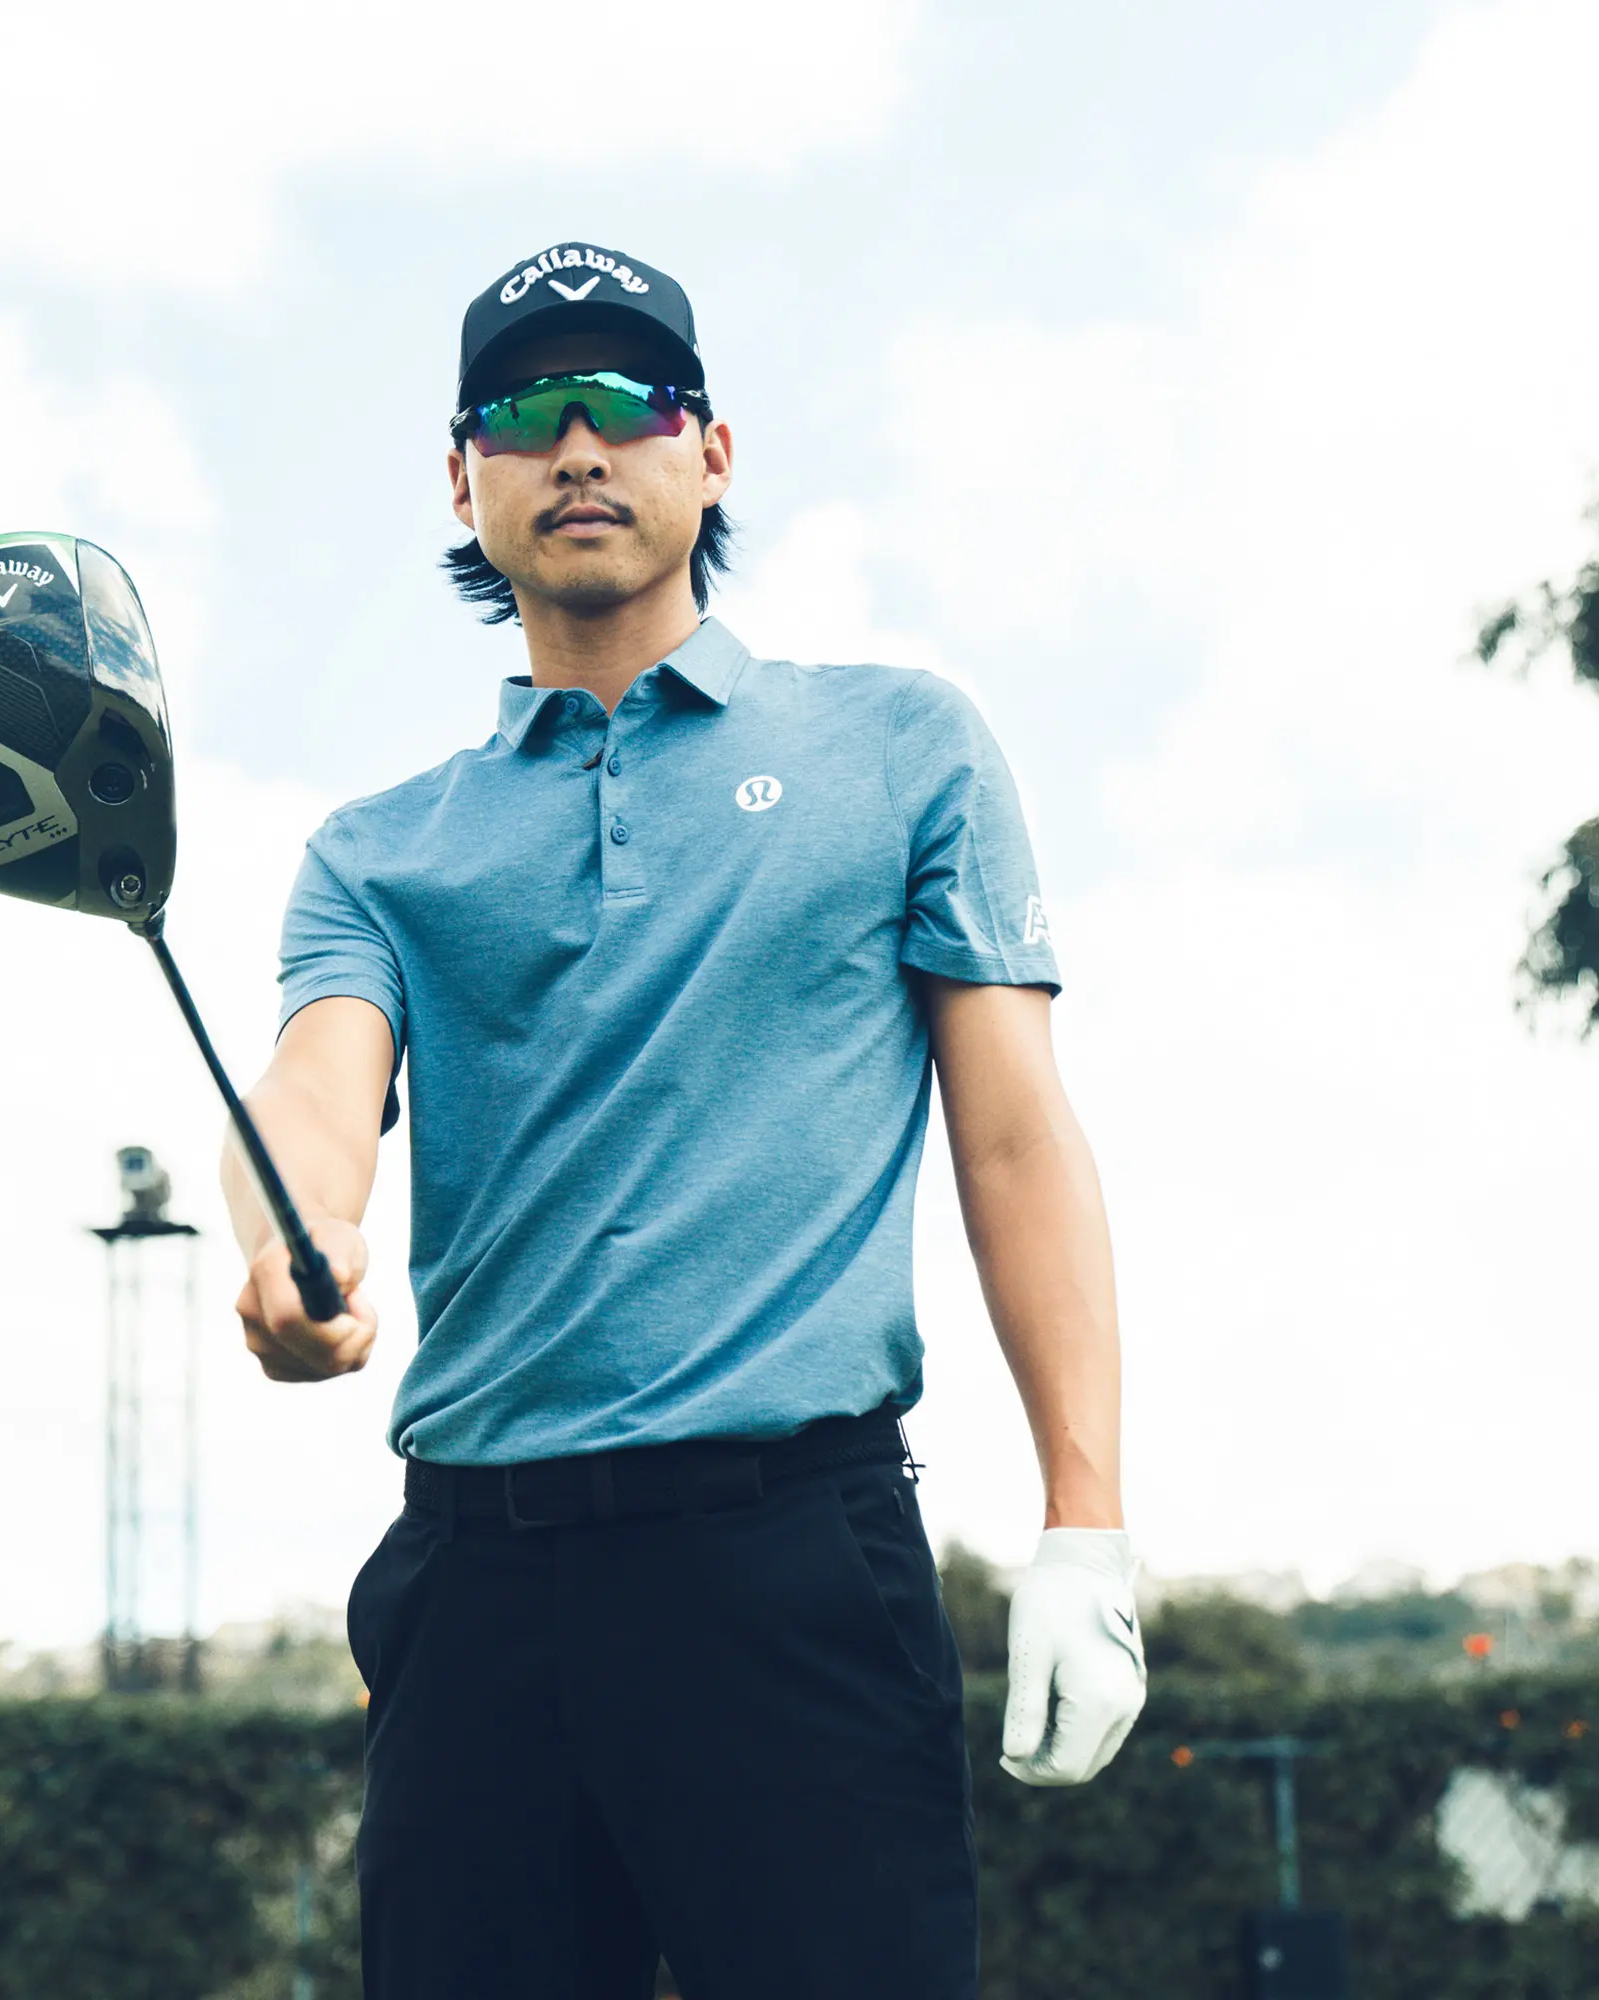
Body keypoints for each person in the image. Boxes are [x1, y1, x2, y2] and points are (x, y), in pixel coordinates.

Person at [220, 242, 1146, 2000]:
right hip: (475, 1593)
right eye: (522, 413)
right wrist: (292, 1240)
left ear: (709, 453)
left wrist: (1083, 1519)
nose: (577, 444)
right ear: (463, 480)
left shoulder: (901, 748)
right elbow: (313, 1093)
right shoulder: (377, 851)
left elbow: (1016, 1138)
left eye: (624, 402)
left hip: (790, 1567)